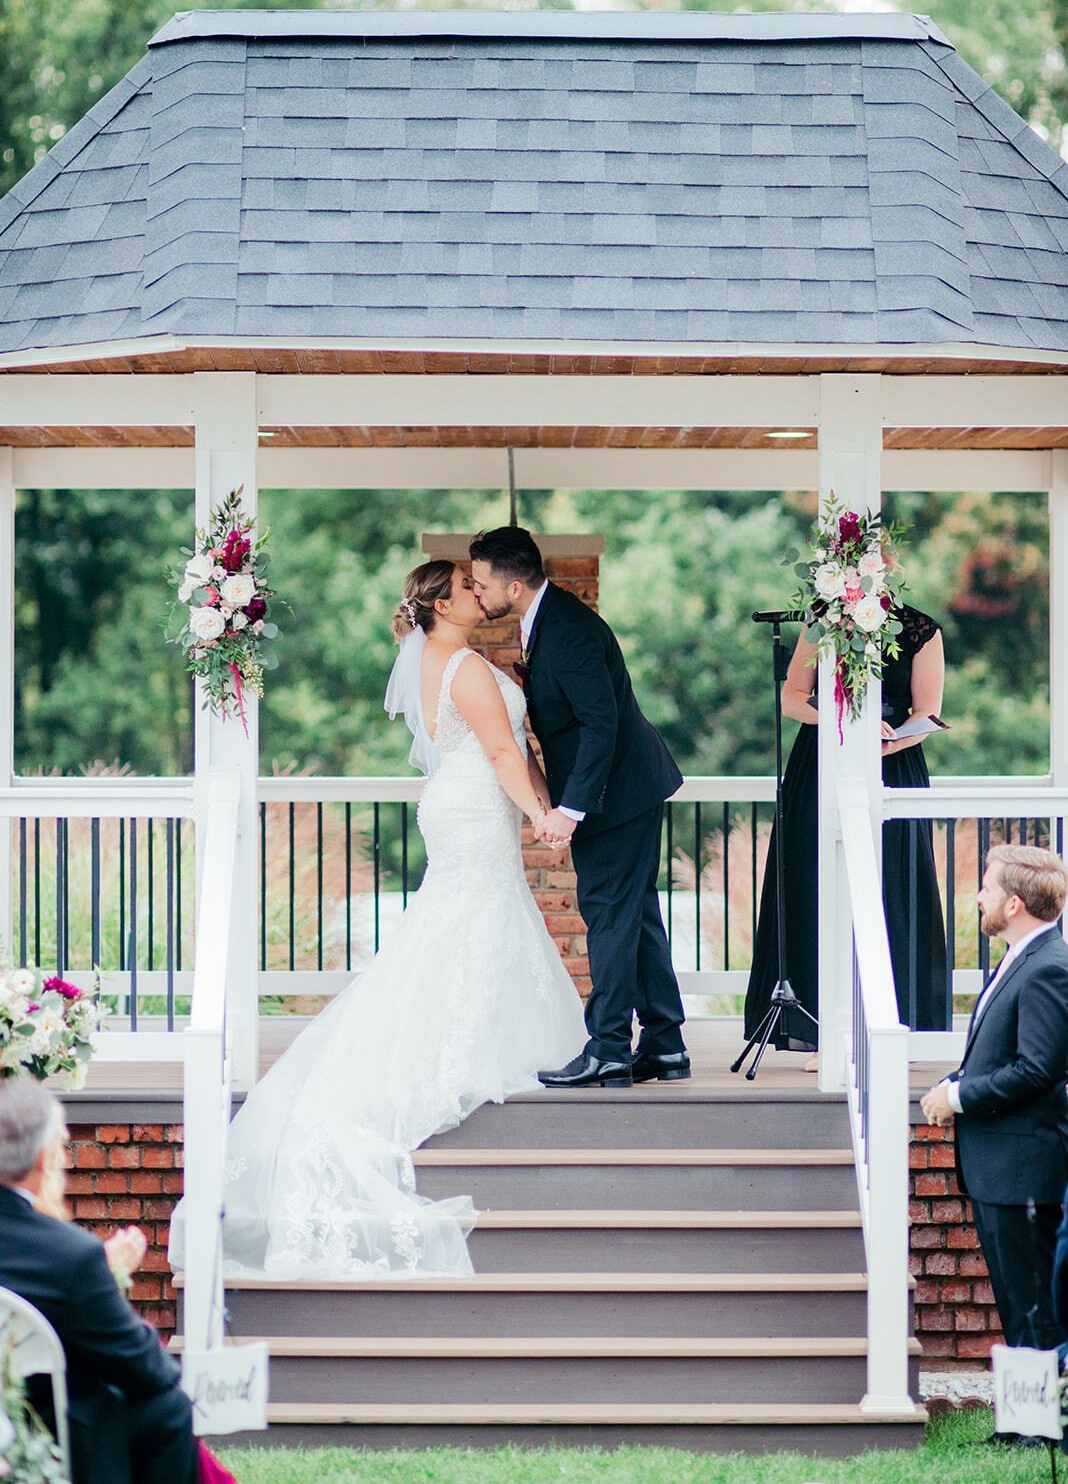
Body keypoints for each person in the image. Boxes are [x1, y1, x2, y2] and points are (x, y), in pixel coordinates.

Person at [170, 559, 586, 1280]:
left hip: (457, 801)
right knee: (472, 919)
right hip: (475, 802)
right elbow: (497, 751)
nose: (477, 592)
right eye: (464, 587)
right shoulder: (466, 666)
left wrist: (537, 797)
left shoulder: (435, 659)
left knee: (460, 923)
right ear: (440, 604)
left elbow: (500, 749)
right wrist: (542, 813)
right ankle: (458, 1046)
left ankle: (463, 1028)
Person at [469, 526, 688, 1088]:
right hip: (624, 791)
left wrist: (572, 808)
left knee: (610, 915)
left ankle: (610, 1046)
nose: (476, 592)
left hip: (617, 796)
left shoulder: (568, 629)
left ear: (513, 586)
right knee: (634, 915)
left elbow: (601, 724)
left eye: (480, 582)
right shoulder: (545, 620)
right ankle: (664, 1045)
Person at [743, 602, 948, 1052]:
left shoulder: (921, 631)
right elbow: (792, 698)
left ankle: (901, 1024)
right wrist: (841, 722)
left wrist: (884, 744)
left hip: (890, 762)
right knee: (812, 882)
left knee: (894, 887)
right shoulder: (822, 621)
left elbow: (927, 712)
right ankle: (818, 1031)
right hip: (821, 761)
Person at [0, 1076, 197, 1484]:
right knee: (170, 1408)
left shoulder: (72, 1260)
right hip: (44, 1428)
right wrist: (101, 1276)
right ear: (43, 1158)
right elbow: (146, 1369)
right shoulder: (69, 1256)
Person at [922, 845, 1068, 1388]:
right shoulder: (1021, 957)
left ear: (1012, 904)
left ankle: (1041, 1429)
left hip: (1023, 1167)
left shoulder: (1049, 968)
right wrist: (954, 1083)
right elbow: (1004, 1056)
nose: (976, 896)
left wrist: (959, 1099)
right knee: (1017, 1302)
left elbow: (1037, 1070)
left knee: (1034, 1306)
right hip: (998, 1166)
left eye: (985, 888)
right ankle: (1025, 1424)